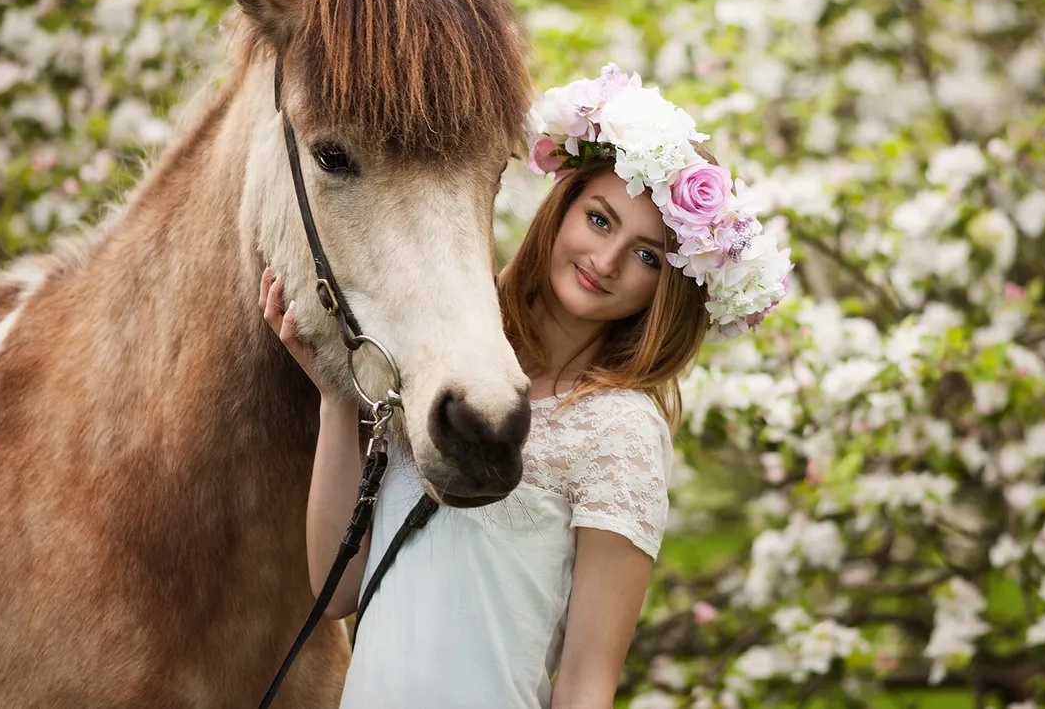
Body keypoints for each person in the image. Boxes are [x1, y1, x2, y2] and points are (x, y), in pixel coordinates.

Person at [258, 63, 791, 708]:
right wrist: (335, 394)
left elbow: (586, 685)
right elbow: (336, 591)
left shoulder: (621, 431)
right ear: (563, 209)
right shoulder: (443, 367)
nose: (606, 260)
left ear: (670, 287)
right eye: (599, 220)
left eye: (648, 255)